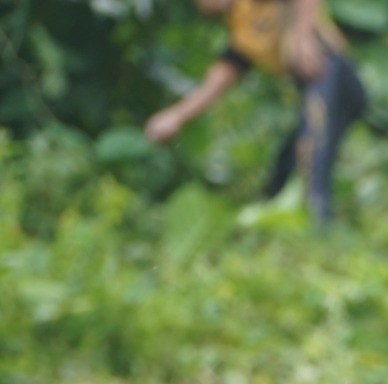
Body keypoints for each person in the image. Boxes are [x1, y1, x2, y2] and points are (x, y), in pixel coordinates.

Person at [143, 0, 366, 227]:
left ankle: (319, 228)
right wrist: (176, 116)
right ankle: (275, 214)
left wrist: (302, 36)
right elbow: (222, 76)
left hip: (331, 72)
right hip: (312, 86)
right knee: (289, 161)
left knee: (313, 152)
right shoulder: (242, 22)